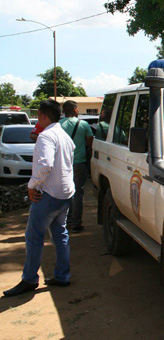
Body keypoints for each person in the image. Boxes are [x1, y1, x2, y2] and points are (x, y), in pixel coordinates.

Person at [3, 100, 75, 297]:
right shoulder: (63, 135)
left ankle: (29, 279)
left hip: (49, 195)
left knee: (34, 237)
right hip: (65, 194)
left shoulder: (46, 137)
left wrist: (31, 185)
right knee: (60, 235)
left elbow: (44, 165)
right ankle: (62, 276)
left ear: (43, 116)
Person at [60, 100, 94, 233]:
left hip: (63, 163)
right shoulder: (83, 124)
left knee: (64, 192)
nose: (79, 110)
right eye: (78, 108)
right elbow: (90, 143)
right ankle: (76, 223)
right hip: (79, 163)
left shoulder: (58, 125)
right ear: (74, 109)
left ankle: (64, 221)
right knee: (78, 194)